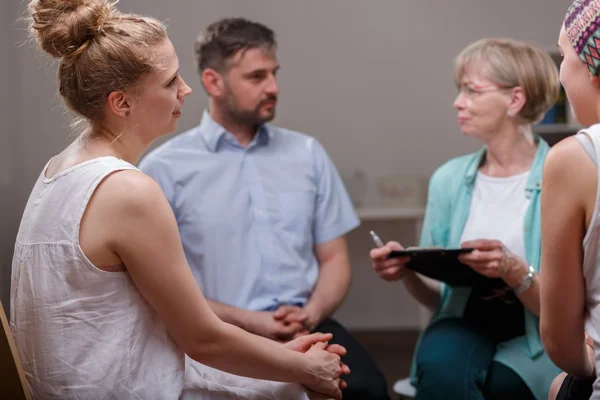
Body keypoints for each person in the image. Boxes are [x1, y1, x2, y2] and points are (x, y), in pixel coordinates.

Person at [11, 1, 349, 399]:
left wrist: (286, 359)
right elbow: (202, 339)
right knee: (302, 389)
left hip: (87, 382)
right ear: (121, 103)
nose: (186, 90)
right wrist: (306, 367)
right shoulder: (127, 190)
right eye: (171, 81)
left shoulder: (58, 170)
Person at [139, 17, 389, 400]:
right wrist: (254, 322)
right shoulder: (163, 169)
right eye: (257, 77)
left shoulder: (308, 154)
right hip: (219, 337)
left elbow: (336, 259)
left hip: (310, 327)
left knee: (367, 390)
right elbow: (162, 289)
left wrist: (312, 311)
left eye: (274, 74)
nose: (273, 87)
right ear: (213, 82)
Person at [369, 37, 562, 399]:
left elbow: (569, 308)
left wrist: (513, 270)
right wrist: (406, 270)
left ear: (515, 99)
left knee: (503, 386)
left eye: (472, 91)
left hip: (537, 331)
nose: (458, 102)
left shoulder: (561, 176)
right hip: (462, 322)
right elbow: (437, 299)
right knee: (440, 370)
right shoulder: (449, 180)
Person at [540, 0, 600, 399]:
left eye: (564, 56)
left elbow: (560, 341)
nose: (561, 73)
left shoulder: (575, 160)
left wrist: (584, 367)